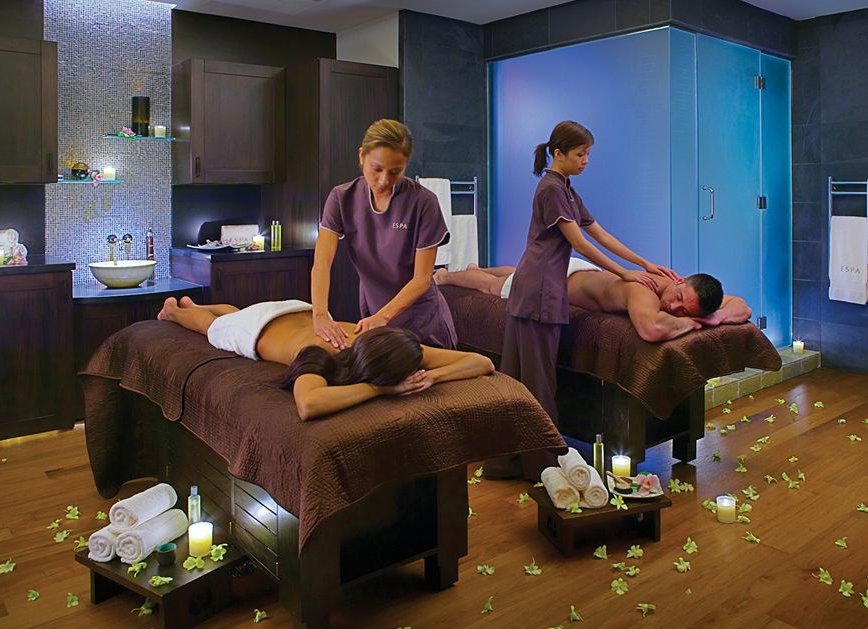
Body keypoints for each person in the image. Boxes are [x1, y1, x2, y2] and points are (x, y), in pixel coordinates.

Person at [501, 120, 681, 427]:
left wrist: (645, 264)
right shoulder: (552, 189)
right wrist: (624, 274)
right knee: (536, 380)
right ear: (559, 153)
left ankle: (524, 446)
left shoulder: (567, 189)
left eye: (588, 154)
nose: (586, 161)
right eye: (580, 154)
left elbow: (601, 235)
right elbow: (580, 244)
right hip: (538, 288)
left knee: (531, 375)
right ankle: (542, 449)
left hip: (542, 284)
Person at [156, 296, 493, 421]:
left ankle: (194, 304)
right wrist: (381, 390)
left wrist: (431, 377)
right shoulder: (318, 355)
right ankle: (175, 312)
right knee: (213, 326)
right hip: (258, 329)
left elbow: (482, 363)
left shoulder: (377, 340)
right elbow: (309, 405)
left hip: (295, 309)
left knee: (238, 312)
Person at [312, 119, 457, 350]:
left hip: (421, 318)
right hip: (374, 310)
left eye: (395, 172)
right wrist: (320, 316)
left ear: (405, 165)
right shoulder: (341, 198)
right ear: (362, 156)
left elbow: (421, 279)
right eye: (376, 169)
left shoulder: (423, 202)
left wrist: (383, 317)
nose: (383, 181)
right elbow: (322, 262)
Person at [436, 261, 752, 342]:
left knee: (516, 271)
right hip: (552, 285)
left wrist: (718, 317)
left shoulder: (683, 288)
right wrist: (692, 323)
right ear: (681, 280)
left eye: (684, 310)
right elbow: (652, 329)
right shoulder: (643, 290)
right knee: (494, 287)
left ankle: (474, 267)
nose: (674, 308)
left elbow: (742, 306)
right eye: (678, 299)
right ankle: (445, 277)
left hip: (578, 272)